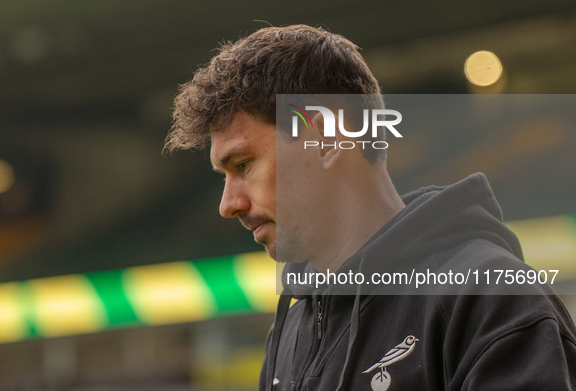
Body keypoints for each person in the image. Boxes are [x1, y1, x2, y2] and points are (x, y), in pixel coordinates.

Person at [165, 25, 576, 390]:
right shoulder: (290, 327)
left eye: (243, 165)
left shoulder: (487, 294)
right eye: (225, 175)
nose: (227, 205)